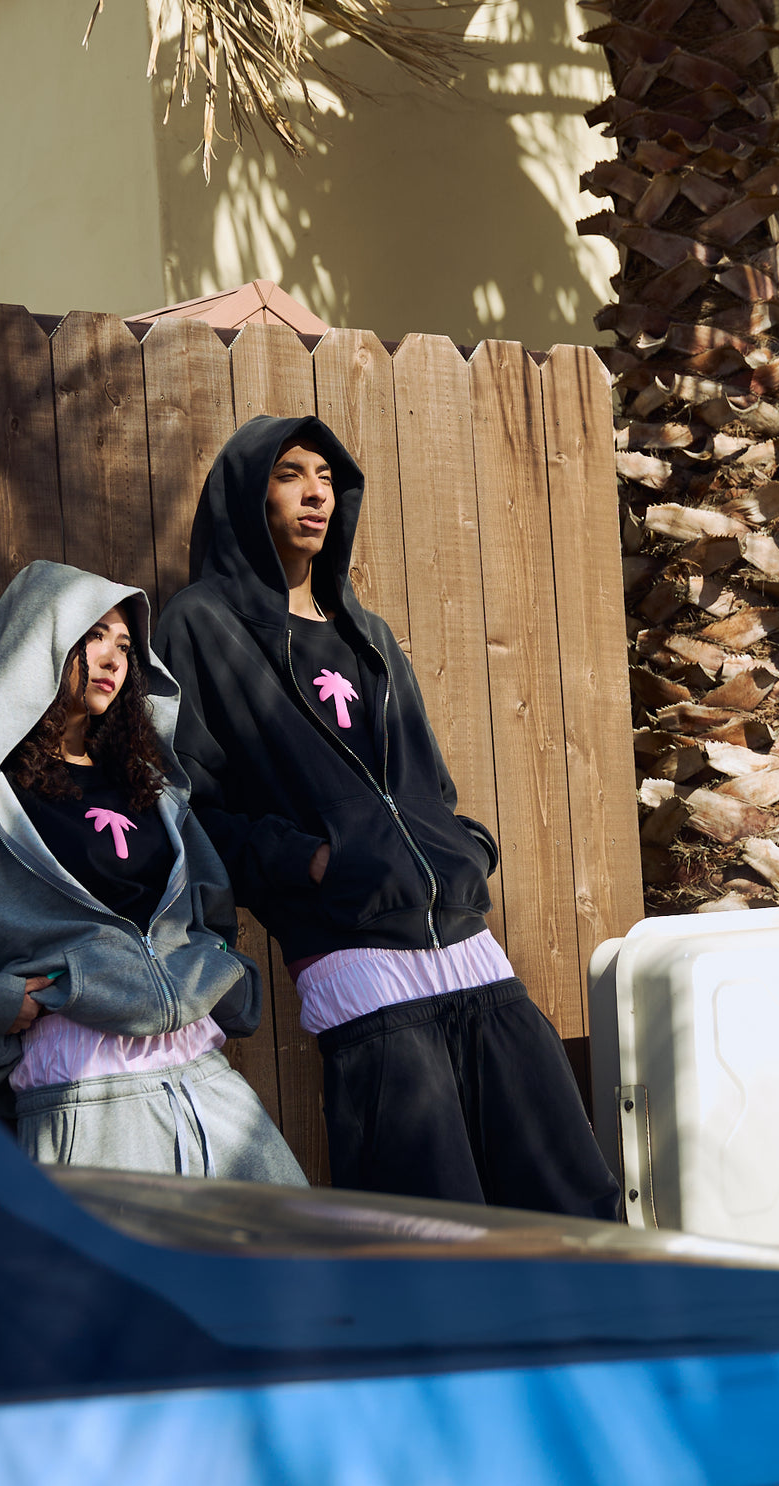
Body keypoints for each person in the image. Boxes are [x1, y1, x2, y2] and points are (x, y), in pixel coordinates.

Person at [155, 415, 619, 1218]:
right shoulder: (201, 624)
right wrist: (310, 861)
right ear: (247, 495)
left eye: (327, 478)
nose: (315, 493)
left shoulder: (366, 633)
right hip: (353, 950)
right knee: (428, 1210)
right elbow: (187, 810)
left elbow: (427, 783)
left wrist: (464, 849)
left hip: (465, 939)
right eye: (290, 474)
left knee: (566, 1186)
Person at [0, 560, 306, 1186]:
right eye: (94, 636)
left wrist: (212, 967)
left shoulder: (148, 785)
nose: (113, 658)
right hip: (85, 1095)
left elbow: (209, 907)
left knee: (295, 1247)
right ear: (40, 639)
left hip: (204, 1076)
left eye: (125, 645)